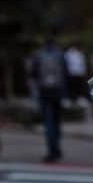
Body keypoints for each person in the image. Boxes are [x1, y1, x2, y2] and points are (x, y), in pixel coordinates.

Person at [27, 35, 68, 163]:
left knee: (49, 122)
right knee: (57, 121)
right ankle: (57, 148)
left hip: (44, 92)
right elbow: (66, 74)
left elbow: (32, 74)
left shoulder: (38, 55)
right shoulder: (60, 55)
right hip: (58, 92)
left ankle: (51, 150)